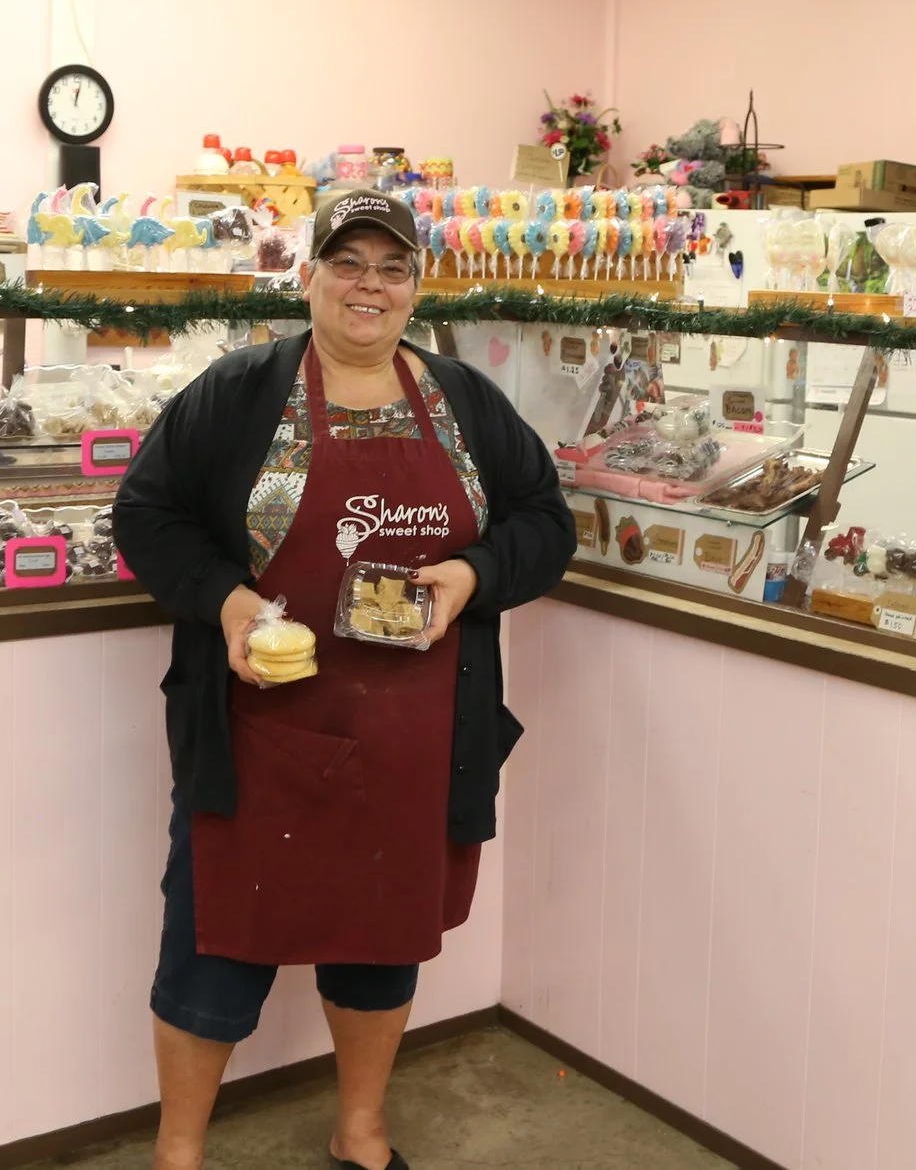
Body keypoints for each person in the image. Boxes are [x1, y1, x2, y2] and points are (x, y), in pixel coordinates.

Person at [114, 187, 576, 1170]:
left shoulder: (461, 404)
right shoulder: (240, 395)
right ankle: (178, 1150)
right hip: (260, 729)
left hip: (417, 734)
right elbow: (148, 515)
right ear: (309, 274)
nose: (369, 285)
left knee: (380, 939)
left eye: (391, 267)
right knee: (212, 947)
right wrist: (230, 604)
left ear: (416, 285)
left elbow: (544, 521)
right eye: (348, 262)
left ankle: (359, 1127)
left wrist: (468, 575)